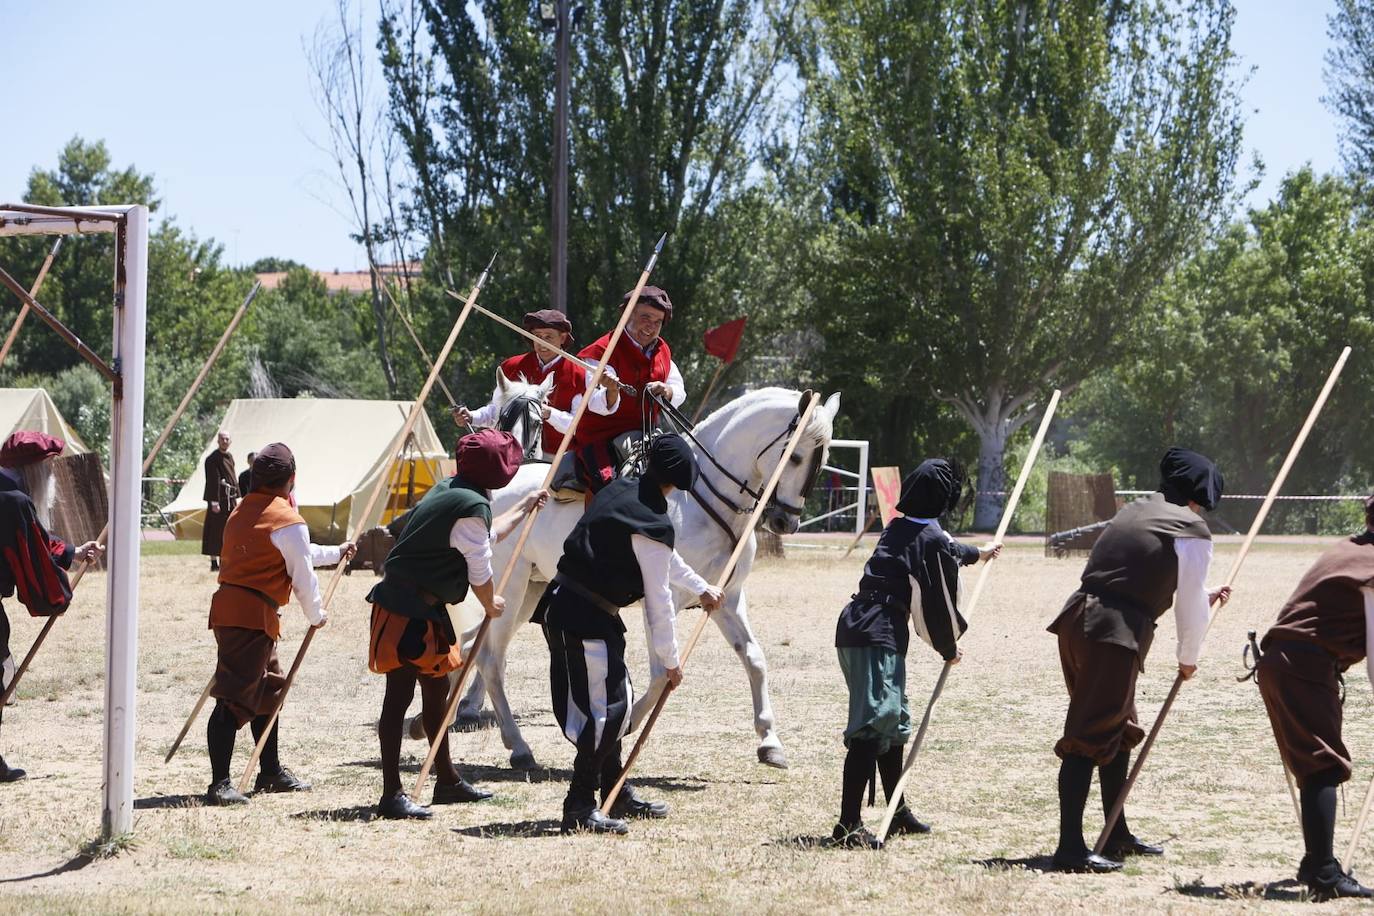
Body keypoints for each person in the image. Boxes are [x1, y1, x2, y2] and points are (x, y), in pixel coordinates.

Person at [1046, 447, 1230, 872]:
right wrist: (1189, 658)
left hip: (1081, 621)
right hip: (1112, 632)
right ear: (1200, 495)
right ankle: (1071, 849)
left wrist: (1204, 595)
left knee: (1118, 728)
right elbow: (1187, 607)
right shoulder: (1192, 528)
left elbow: (1139, 573)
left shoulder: (1138, 508)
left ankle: (1115, 835)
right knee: (1087, 736)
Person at [537, 433, 722, 834]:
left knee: (611, 700)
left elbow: (661, 559)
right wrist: (670, 662)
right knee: (607, 712)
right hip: (584, 617)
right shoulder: (652, 522)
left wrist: (701, 588)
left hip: (568, 606)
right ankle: (580, 804)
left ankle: (613, 789)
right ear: (674, 483)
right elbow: (659, 602)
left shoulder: (620, 489)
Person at [368, 429, 547, 820]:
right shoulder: (468, 506)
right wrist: (490, 601)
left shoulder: (452, 490)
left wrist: (526, 507)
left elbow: (485, 537)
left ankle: (446, 780)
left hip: (425, 610)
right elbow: (480, 562)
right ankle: (391, 793)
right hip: (404, 608)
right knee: (397, 700)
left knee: (436, 697)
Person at [831, 459, 999, 849]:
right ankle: (848, 826)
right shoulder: (930, 538)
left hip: (861, 626)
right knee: (872, 727)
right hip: (876, 632)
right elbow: (939, 601)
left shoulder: (900, 527)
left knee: (892, 722)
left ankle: (897, 812)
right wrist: (948, 647)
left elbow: (947, 550)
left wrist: (980, 553)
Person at [203, 444, 354, 806]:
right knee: (234, 698)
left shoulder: (242, 510)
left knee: (268, 690)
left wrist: (336, 552)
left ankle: (269, 770)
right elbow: (301, 576)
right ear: (291, 480)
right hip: (250, 617)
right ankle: (219, 784)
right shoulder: (287, 521)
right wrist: (316, 615)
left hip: (236, 611)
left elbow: (296, 553)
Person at [1252, 498, 1374, 900]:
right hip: (1303, 665)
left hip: (1285, 661)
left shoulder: (1349, 548)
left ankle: (1314, 861)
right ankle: (1323, 874)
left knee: (1313, 764)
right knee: (1323, 765)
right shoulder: (1371, 566)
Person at [0, 432, 101, 782]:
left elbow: (35, 539)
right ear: (34, 469)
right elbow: (35, 557)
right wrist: (57, 596)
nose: (53, 477)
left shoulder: (10, 497)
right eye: (49, 469)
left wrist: (72, 552)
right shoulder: (12, 501)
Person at [452, 309, 619, 460]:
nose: (542, 343)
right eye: (537, 337)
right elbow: (497, 412)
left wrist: (548, 413)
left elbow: (578, 426)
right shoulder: (511, 366)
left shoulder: (580, 373)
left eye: (548, 337)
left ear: (562, 338)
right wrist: (472, 417)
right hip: (512, 456)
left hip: (560, 458)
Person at [574, 287, 687, 495]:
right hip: (601, 436)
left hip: (647, 433)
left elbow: (679, 389)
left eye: (657, 322)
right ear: (628, 314)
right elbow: (593, 402)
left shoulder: (663, 351)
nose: (650, 327)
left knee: (684, 465)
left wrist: (667, 390)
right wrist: (611, 391)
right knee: (607, 484)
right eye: (645, 317)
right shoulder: (601, 350)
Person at [202, 431, 237, 571]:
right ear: (218, 441)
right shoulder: (212, 459)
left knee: (228, 531)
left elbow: (232, 477)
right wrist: (214, 502)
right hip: (218, 502)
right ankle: (214, 562)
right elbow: (212, 481)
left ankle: (225, 560)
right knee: (215, 531)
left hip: (230, 501)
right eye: (222, 439)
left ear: (230, 441)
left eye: (227, 439)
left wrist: (237, 496)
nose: (225, 441)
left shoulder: (229, 457)